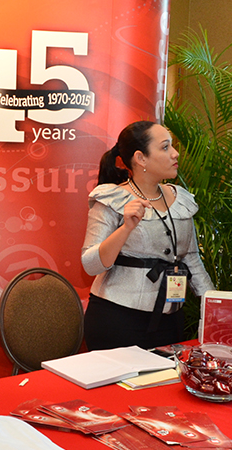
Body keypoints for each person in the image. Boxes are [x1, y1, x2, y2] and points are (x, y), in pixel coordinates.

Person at [81, 120, 215, 351]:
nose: (175, 154)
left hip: (171, 320)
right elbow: (90, 264)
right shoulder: (112, 199)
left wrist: (216, 306)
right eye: (165, 147)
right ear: (140, 158)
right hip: (118, 319)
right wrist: (125, 228)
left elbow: (191, 258)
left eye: (172, 146)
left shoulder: (180, 198)